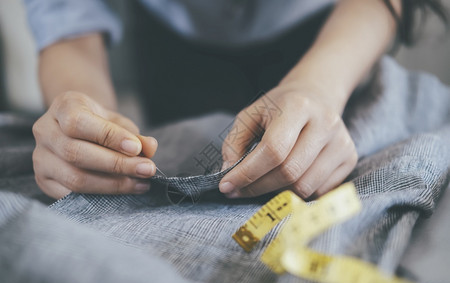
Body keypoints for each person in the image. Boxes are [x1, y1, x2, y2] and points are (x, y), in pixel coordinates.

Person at [24, 0, 447, 200]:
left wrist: (322, 85)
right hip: (173, 38)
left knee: (315, 158)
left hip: (331, 26)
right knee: (183, 162)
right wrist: (82, 116)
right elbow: (68, 17)